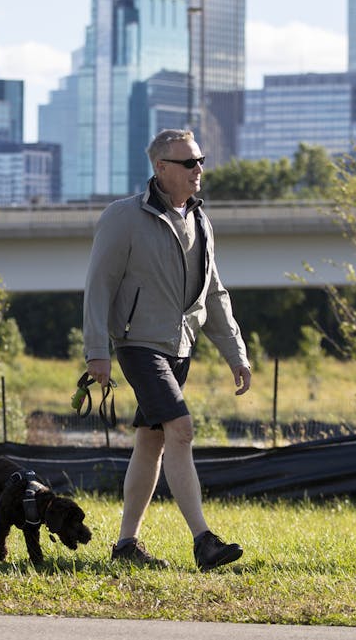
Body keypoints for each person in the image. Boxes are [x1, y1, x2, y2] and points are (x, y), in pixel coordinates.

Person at [83, 128, 253, 571]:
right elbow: (99, 285)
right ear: (161, 169)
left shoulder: (200, 220)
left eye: (200, 161)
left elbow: (213, 293)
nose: (199, 170)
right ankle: (203, 540)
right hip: (138, 343)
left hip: (180, 346)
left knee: (152, 441)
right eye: (189, 162)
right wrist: (96, 350)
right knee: (180, 429)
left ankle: (125, 546)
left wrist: (236, 353)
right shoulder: (123, 217)